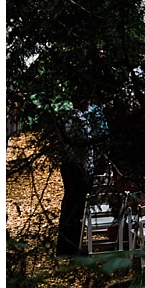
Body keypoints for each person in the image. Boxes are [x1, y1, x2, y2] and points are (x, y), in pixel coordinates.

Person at [56, 99, 96, 255]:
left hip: (71, 166)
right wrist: (87, 170)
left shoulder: (69, 118)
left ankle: (68, 245)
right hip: (77, 169)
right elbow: (83, 149)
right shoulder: (78, 120)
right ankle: (70, 246)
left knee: (71, 204)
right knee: (75, 207)